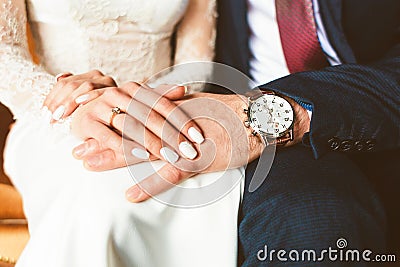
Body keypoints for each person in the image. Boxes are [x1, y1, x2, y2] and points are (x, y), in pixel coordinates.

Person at [71, 0, 400, 266]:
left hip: (370, 120)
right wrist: (111, 94)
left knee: (317, 224)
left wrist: (262, 116)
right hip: (218, 122)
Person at [0, 0, 245, 266]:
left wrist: (139, 107)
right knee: (103, 197)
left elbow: (194, 65)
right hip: (57, 117)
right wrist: (70, 102)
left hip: (157, 115)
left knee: (210, 182)